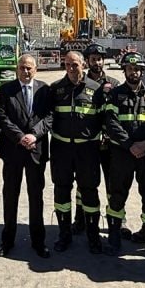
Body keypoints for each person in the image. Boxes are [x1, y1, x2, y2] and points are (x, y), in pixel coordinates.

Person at [100, 51, 145, 262]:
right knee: (117, 195)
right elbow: (110, 123)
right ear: (125, 71)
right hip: (122, 154)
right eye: (130, 69)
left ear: (142, 71)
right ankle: (114, 238)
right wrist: (130, 145)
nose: (135, 72)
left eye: (138, 69)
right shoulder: (114, 95)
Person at [48, 50, 106, 254]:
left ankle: (93, 236)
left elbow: (104, 120)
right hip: (62, 149)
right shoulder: (55, 89)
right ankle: (64, 235)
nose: (72, 68)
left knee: (89, 192)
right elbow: (47, 118)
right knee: (62, 191)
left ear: (83, 64)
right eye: (68, 65)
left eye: (76, 64)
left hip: (87, 150)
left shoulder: (96, 89)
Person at [0, 53, 52, 258]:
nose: (25, 71)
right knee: (11, 196)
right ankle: (7, 241)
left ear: (36, 69)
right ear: (17, 69)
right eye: (22, 68)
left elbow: (49, 116)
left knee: (36, 197)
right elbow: (1, 116)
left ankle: (39, 241)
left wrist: (34, 135)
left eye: (29, 68)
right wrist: (20, 136)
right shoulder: (7, 89)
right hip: (13, 151)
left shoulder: (45, 90)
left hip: (36, 151)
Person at [71, 43, 117, 234]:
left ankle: (116, 221)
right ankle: (80, 218)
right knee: (84, 183)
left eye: (99, 59)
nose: (97, 62)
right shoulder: (80, 84)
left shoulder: (114, 84)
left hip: (109, 144)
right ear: (87, 61)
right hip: (88, 143)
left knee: (113, 184)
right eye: (93, 59)